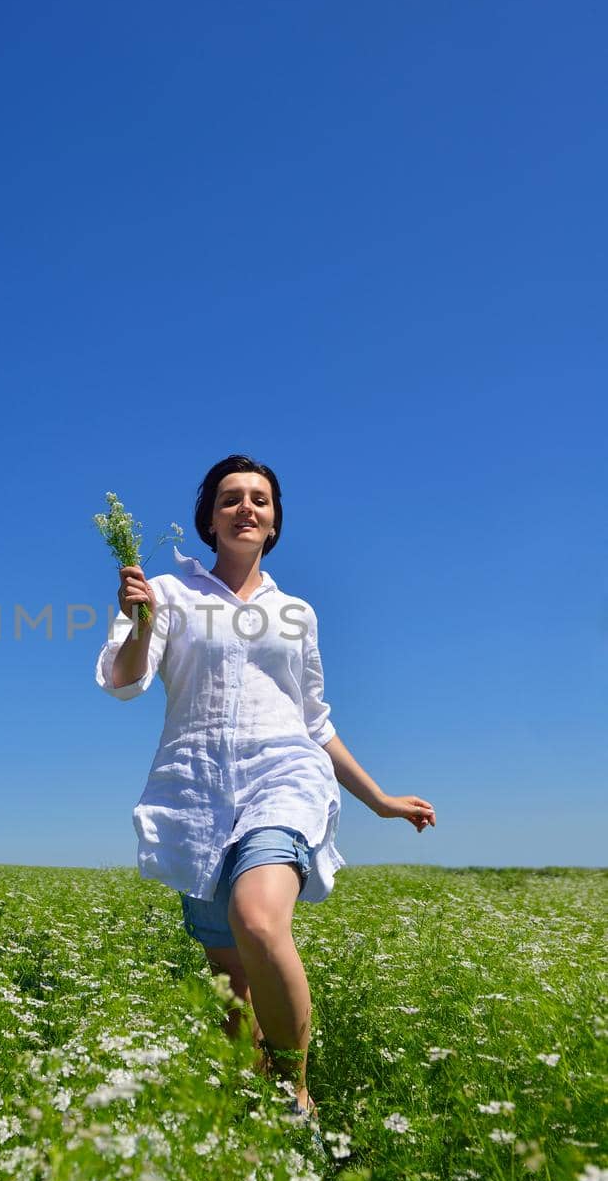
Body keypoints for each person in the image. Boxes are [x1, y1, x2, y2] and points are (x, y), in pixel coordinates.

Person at [94, 453, 435, 1139]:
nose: (246, 507)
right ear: (209, 521)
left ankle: (294, 1096)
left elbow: (316, 722)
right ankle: (247, 1119)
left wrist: (379, 800)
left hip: (283, 778)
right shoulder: (168, 591)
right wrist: (136, 620)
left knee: (258, 919)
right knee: (232, 985)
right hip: (195, 794)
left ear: (274, 522)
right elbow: (126, 680)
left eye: (260, 499)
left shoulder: (295, 613)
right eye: (231, 499)